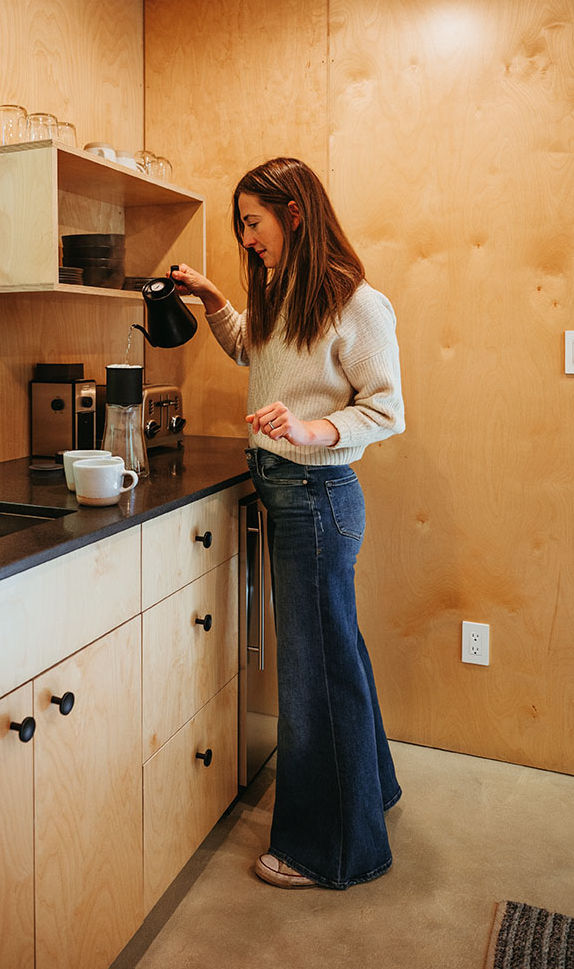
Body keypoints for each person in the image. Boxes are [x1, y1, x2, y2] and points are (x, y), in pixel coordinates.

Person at [170, 156, 405, 891]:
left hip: (318, 497)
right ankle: (370, 793)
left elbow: (385, 410)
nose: (246, 239)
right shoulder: (281, 295)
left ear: (294, 215)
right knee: (336, 655)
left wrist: (310, 431)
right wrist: (216, 300)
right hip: (293, 494)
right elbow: (253, 349)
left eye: (253, 223)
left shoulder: (358, 303)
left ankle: (327, 850)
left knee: (314, 675)